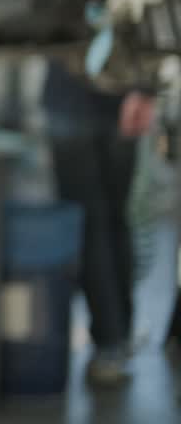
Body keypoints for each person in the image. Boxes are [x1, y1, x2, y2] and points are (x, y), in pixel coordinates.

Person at [41, 59, 155, 385]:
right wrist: (143, 89)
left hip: (76, 103)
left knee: (92, 227)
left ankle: (109, 343)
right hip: (122, 100)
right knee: (114, 221)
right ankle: (119, 335)